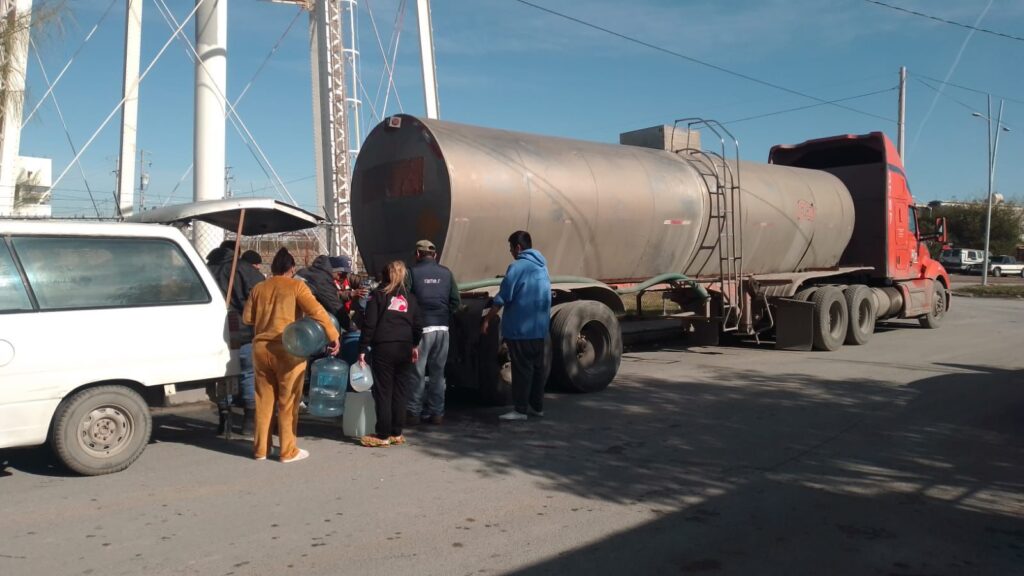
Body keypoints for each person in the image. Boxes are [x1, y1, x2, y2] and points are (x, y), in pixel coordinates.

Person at [243, 248, 340, 462]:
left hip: (260, 349)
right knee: (288, 402)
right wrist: (333, 335)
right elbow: (318, 312)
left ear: (273, 268)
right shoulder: (297, 287)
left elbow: (247, 317)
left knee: (264, 401)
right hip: (289, 349)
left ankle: (261, 449)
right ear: (292, 268)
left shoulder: (259, 288)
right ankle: (287, 451)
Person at [481, 231, 551, 421]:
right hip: (539, 329)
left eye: (511, 248)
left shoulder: (518, 266)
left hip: (521, 329)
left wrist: (488, 319)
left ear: (518, 248)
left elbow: (503, 296)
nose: (510, 251)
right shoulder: (542, 266)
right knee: (537, 370)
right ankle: (537, 407)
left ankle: (520, 410)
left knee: (521, 371)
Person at [358, 260, 423, 447]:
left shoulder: (378, 295)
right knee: (400, 390)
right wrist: (414, 345)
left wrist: (362, 349)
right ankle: (397, 431)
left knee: (383, 391)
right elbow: (418, 326)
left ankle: (383, 433)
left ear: (385, 274)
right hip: (404, 346)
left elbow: (369, 324)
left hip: (384, 347)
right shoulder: (410, 298)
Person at [208, 245, 266, 437]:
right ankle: (249, 422)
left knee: (222, 376)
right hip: (243, 330)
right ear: (237, 252)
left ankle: (224, 418)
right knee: (248, 374)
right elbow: (261, 291)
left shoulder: (206, 269)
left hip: (214, 332)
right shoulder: (242, 269)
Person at [405, 239, 460, 425]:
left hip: (422, 329)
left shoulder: (412, 272)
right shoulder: (446, 273)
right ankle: (437, 413)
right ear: (435, 255)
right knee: (438, 373)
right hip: (443, 329)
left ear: (418, 255)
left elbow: (405, 300)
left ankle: (413, 412)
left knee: (417, 372)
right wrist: (444, 314)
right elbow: (456, 301)